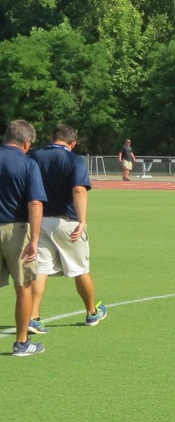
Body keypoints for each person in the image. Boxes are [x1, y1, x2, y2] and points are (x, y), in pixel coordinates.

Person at [29, 125, 107, 334]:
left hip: (39, 221)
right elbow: (79, 189)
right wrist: (82, 221)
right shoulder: (74, 159)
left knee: (41, 270)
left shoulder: (34, 156)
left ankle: (33, 316)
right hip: (66, 222)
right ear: (73, 143)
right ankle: (92, 312)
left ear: (50, 138)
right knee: (80, 269)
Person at [0, 120, 46, 357]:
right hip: (16, 229)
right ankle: (21, 342)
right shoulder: (28, 164)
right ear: (27, 143)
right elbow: (35, 202)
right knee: (24, 287)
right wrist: (35, 240)